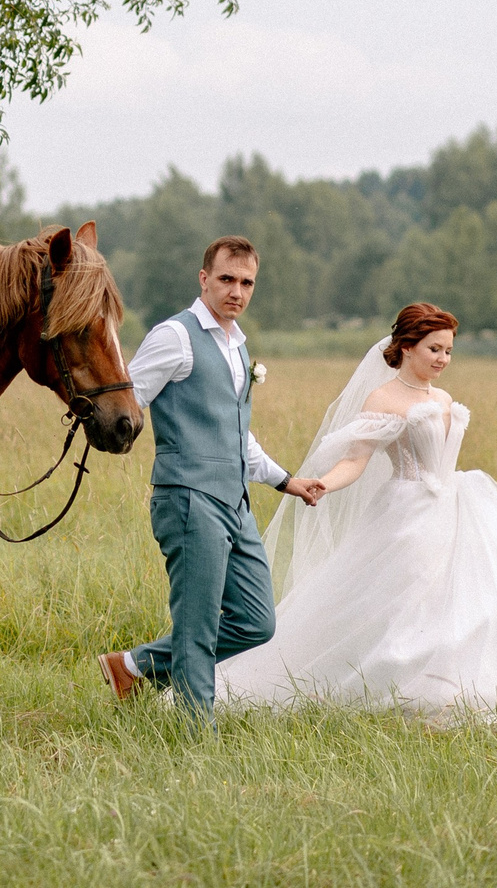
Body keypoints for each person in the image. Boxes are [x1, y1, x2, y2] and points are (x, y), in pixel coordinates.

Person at [213, 302, 497, 723]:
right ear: (408, 346)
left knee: (474, 601)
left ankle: (453, 688)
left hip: (459, 503)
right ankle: (401, 688)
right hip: (409, 509)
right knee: (407, 602)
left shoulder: (444, 397)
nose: (443, 360)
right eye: (434, 349)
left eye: (449, 351)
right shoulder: (383, 399)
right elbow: (357, 460)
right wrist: (325, 483)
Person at [96, 236, 323, 717]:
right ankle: (198, 740)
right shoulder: (175, 336)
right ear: (204, 279)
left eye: (246, 283)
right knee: (197, 627)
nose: (236, 291)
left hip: (234, 502)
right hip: (188, 499)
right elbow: (126, 402)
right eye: (226, 279)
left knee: (258, 620)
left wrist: (286, 481)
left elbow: (237, 433)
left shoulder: (238, 347)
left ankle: (133, 667)